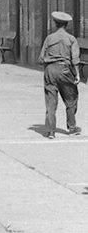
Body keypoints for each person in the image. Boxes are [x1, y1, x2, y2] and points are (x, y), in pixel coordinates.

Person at [38, 11, 81, 139]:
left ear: (55, 24)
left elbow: (41, 58)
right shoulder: (71, 39)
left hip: (50, 70)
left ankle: (51, 131)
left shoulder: (49, 38)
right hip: (65, 70)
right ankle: (72, 128)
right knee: (71, 99)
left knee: (50, 102)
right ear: (67, 25)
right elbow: (75, 59)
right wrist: (77, 74)